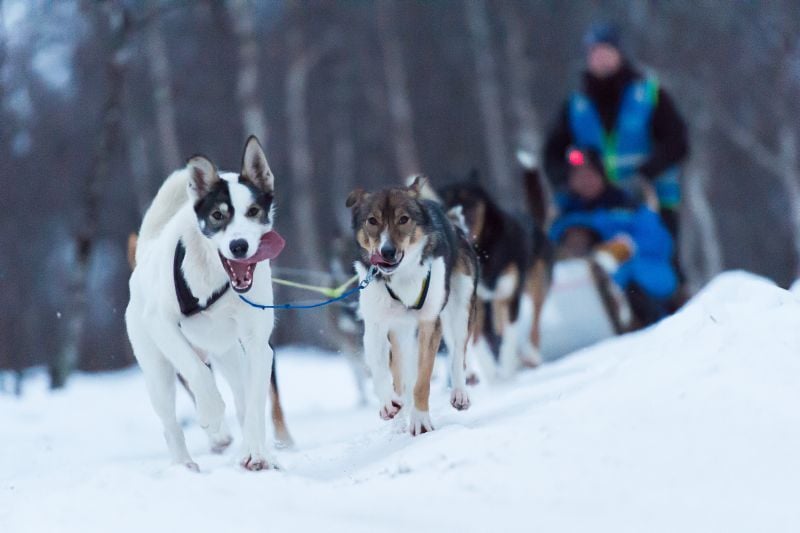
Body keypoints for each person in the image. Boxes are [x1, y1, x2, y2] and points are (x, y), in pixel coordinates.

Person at [544, 22, 689, 241]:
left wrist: (646, 173)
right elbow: (552, 153)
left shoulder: (648, 94)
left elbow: (677, 141)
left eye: (605, 51)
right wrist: (571, 181)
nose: (600, 58)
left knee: (658, 266)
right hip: (598, 210)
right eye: (594, 52)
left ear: (619, 54)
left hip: (653, 203)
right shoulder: (577, 105)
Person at [550, 147, 678, 327]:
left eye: (590, 174)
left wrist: (626, 248)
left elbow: (660, 243)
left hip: (636, 283)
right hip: (579, 290)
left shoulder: (628, 206)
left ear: (602, 175)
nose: (585, 181)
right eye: (578, 176)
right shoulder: (564, 219)